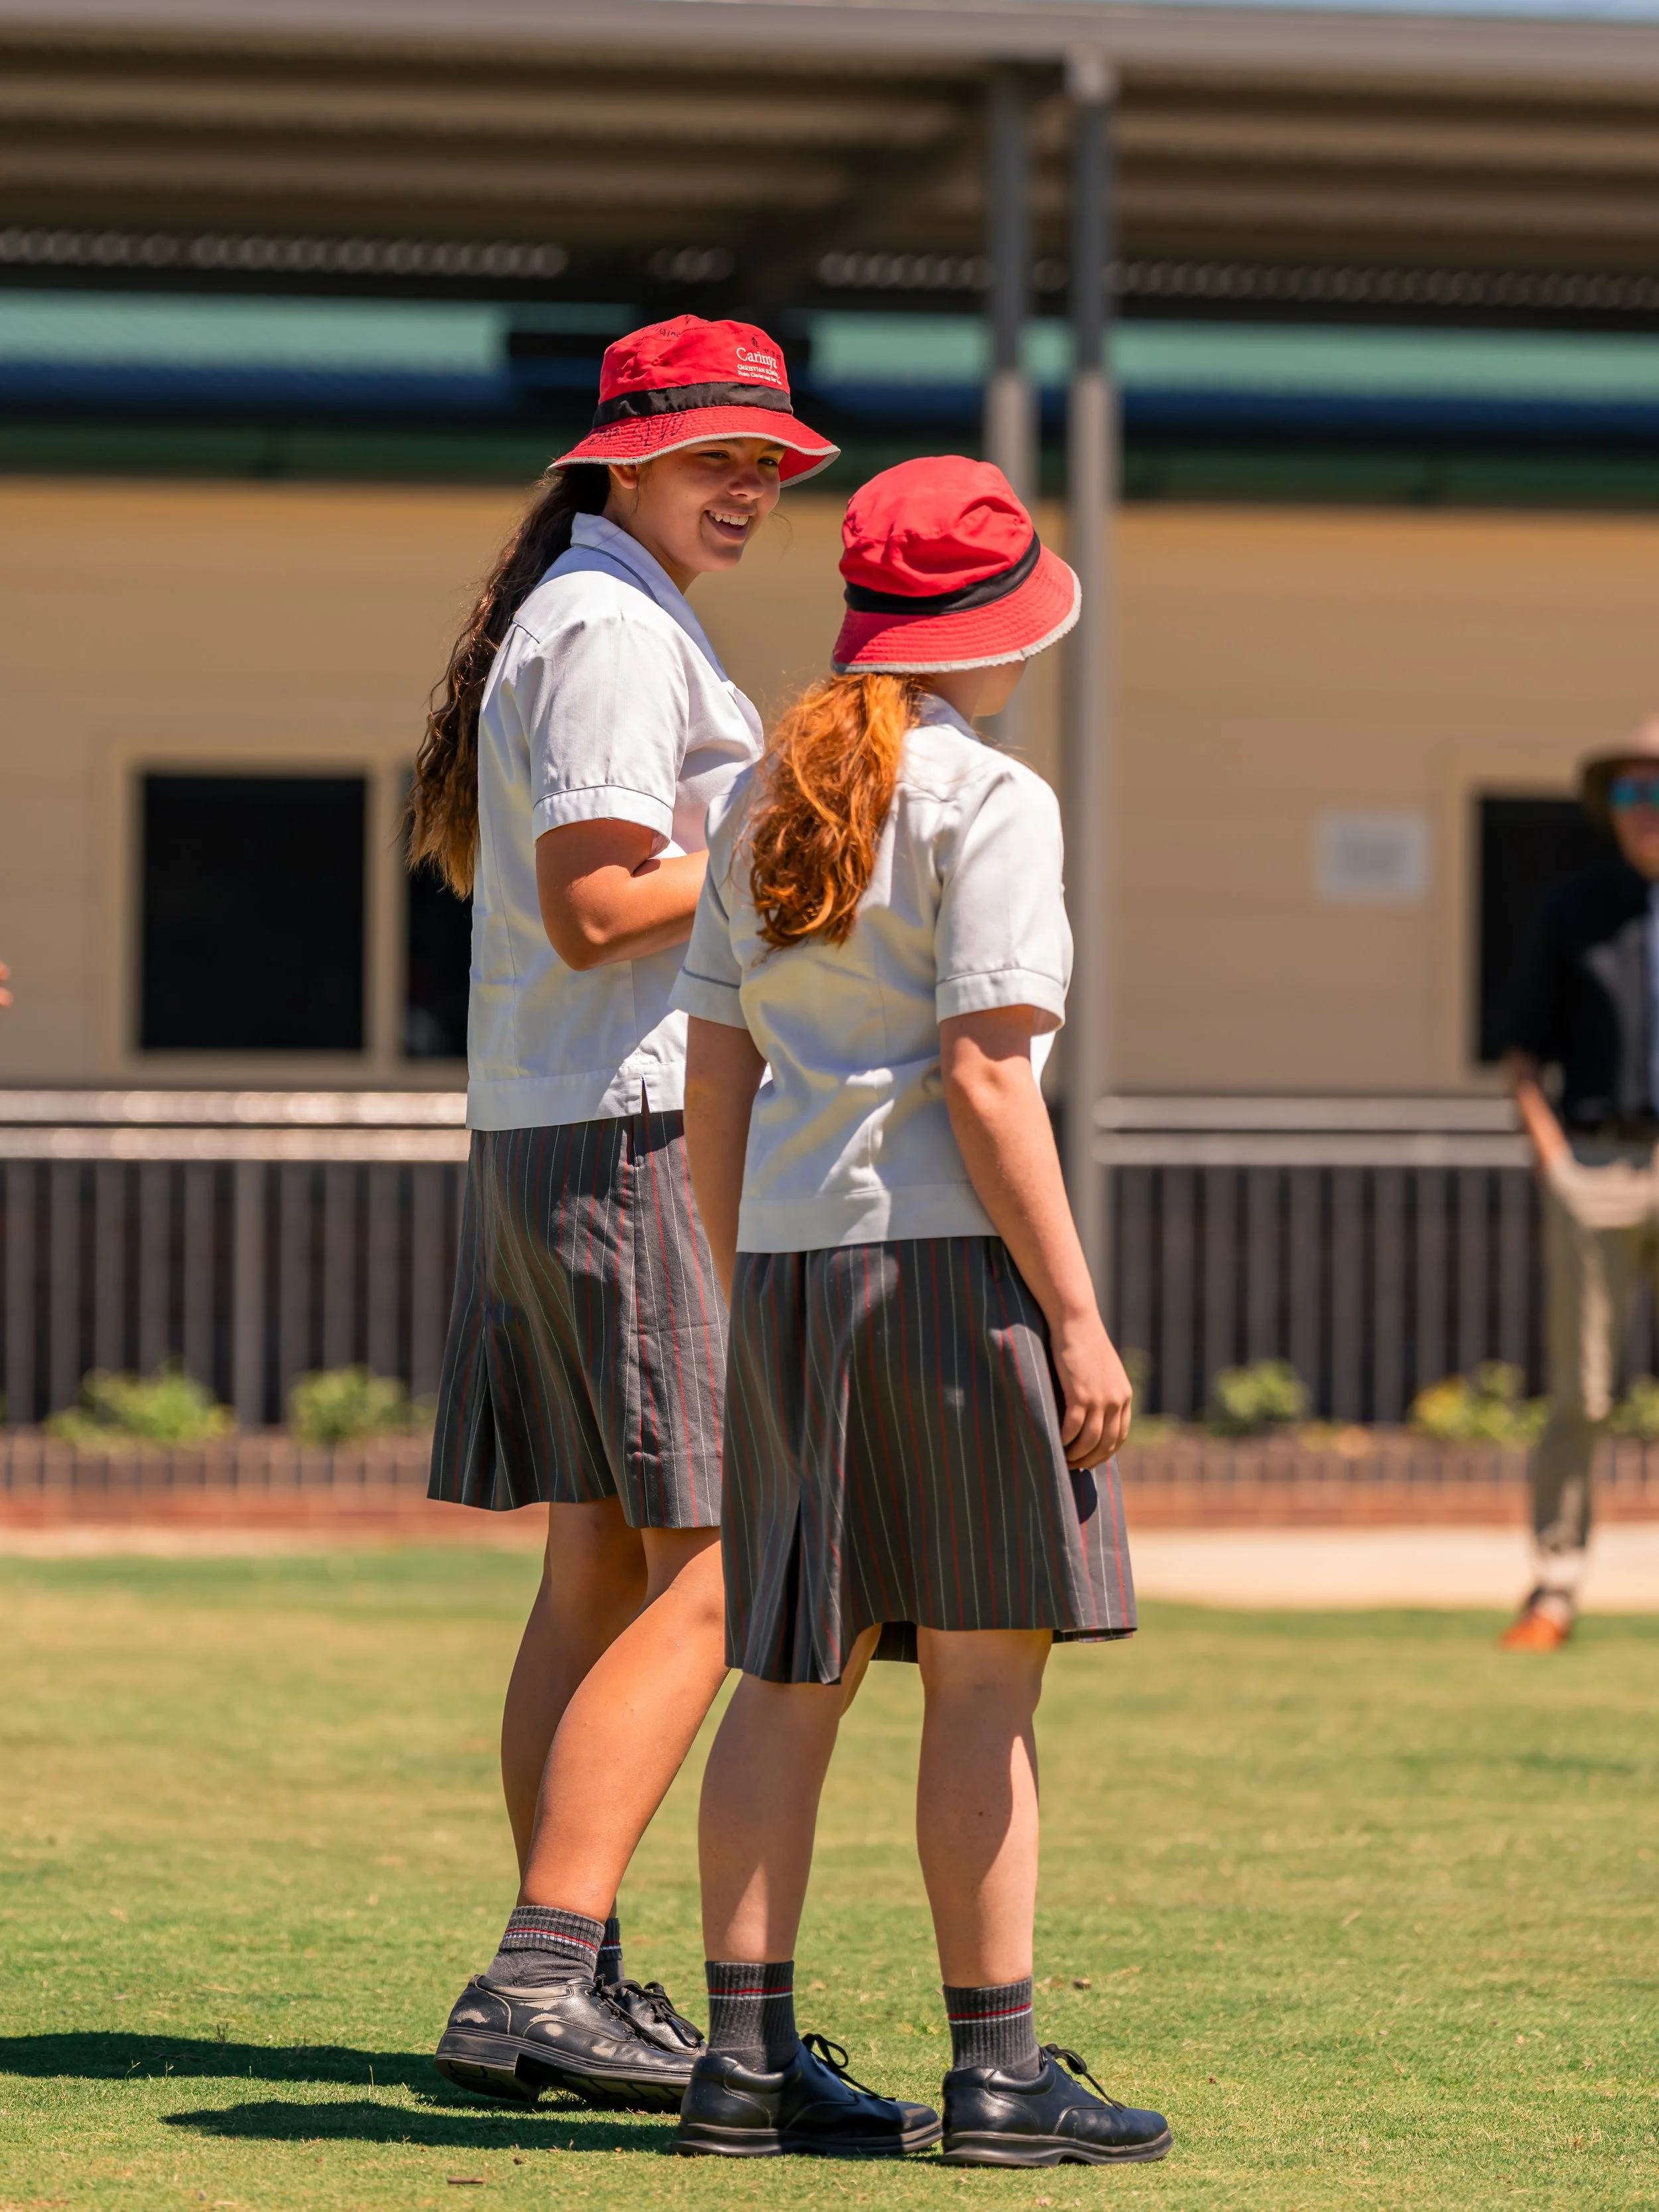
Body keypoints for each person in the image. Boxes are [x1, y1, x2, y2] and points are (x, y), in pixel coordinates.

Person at [668, 456, 1171, 2164]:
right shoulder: (994, 799)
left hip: (789, 1268)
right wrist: (1079, 1316)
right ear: (1001, 624)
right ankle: (999, 2076)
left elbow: (713, 1075)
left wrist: (750, 1273)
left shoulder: (763, 799)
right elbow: (984, 1071)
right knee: (978, 1684)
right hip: (954, 1272)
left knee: (788, 1673)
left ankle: (737, 2069)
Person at [407, 315, 837, 2108]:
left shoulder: (587, 610)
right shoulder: (603, 627)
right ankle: (541, 1968)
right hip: (633, 1129)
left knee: (596, 1555)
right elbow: (597, 900)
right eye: (713, 455)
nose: (746, 486)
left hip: (566, 1123)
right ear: (619, 455)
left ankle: (558, 1967)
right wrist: (804, 842)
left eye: (765, 462)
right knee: (723, 1557)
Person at [1502, 714, 1659, 1651]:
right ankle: (1554, 1590)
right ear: (1614, 808)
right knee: (1583, 1394)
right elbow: (1523, 1058)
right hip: (1596, 1165)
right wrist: (1556, 1163)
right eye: (1636, 792)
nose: (1651, 810)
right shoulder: (1572, 912)